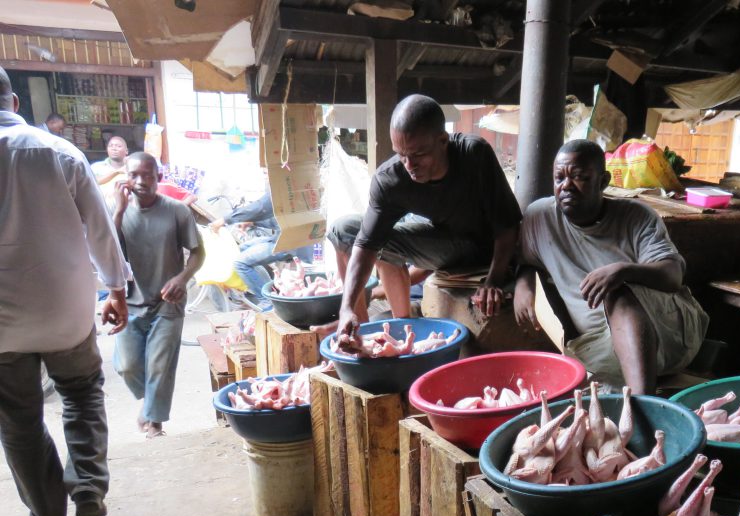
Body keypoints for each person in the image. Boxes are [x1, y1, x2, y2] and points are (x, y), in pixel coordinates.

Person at [0, 66, 130, 516]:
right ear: (15, 103)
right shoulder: (59, 152)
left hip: (1, 328)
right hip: (65, 311)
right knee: (80, 394)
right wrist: (117, 289)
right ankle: (88, 485)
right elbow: (100, 228)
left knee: (18, 420)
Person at [513, 139, 709, 394]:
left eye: (580, 177)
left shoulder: (636, 216)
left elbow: (673, 274)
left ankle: (642, 405)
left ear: (603, 181)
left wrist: (624, 271)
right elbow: (527, 262)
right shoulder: (539, 217)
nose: (566, 186)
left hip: (668, 338)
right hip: (599, 349)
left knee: (617, 292)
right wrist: (523, 285)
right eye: (559, 178)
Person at [328, 94, 522, 337]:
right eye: (400, 154)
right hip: (443, 245)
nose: (409, 165)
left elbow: (508, 227)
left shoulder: (474, 156)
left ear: (443, 140)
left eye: (419, 155)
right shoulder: (390, 179)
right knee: (344, 228)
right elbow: (367, 244)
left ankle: (401, 318)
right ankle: (381, 328)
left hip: (482, 249)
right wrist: (346, 308)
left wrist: (493, 280)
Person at [112, 152, 205, 438]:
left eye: (148, 175)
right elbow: (108, 253)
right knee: (127, 366)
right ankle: (150, 402)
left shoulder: (177, 210)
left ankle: (154, 422)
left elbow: (198, 252)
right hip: (130, 302)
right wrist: (117, 212)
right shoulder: (117, 211)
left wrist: (182, 278)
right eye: (134, 175)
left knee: (160, 364)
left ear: (159, 178)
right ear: (125, 178)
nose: (141, 181)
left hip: (168, 302)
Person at [209, 189, 314, 305]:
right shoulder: (293, 185)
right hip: (282, 238)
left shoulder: (283, 186)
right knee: (241, 249)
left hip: (288, 244)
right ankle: (267, 289)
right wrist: (253, 222)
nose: (265, 171)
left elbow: (259, 207)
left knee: (240, 263)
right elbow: (276, 220)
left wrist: (225, 220)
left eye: (266, 170)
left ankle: (268, 302)